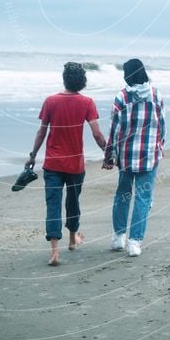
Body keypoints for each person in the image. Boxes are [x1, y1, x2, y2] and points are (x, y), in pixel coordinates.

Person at [26, 61, 107, 266]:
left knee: (53, 204)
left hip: (52, 163)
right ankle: (72, 240)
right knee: (73, 201)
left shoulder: (50, 101)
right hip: (75, 165)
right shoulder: (87, 102)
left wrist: (33, 155)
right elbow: (97, 134)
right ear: (82, 81)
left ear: (64, 79)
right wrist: (108, 153)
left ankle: (54, 252)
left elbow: (42, 132)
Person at [103, 58, 165, 257]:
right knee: (143, 198)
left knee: (122, 196)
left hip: (127, 156)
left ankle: (119, 238)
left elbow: (114, 129)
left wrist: (109, 156)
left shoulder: (121, 97)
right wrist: (159, 147)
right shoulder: (156, 95)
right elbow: (161, 126)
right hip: (149, 154)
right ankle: (134, 242)